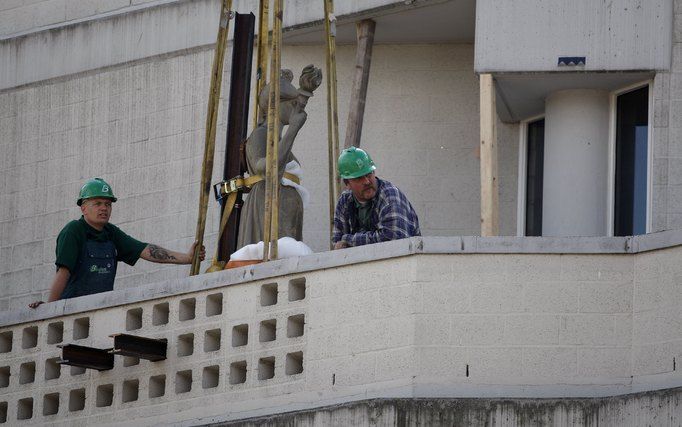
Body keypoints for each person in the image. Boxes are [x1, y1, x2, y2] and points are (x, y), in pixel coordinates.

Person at [29, 178, 205, 308]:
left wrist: (188, 258)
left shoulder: (111, 233)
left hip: (100, 309)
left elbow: (146, 250)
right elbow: (63, 271)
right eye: (97, 203)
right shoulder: (74, 231)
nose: (104, 208)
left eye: (107, 204)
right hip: (71, 310)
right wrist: (49, 309)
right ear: (83, 208)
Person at [237, 65, 321, 249]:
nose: (294, 107)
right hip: (266, 207)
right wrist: (293, 130)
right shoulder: (260, 135)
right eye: (291, 103)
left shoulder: (279, 140)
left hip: (283, 215)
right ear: (276, 105)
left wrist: (306, 90)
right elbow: (267, 169)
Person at [332, 147, 421, 249]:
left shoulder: (390, 195)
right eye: (359, 178)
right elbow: (337, 244)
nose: (367, 181)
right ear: (347, 183)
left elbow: (392, 239)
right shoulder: (345, 201)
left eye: (369, 174)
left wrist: (348, 240)